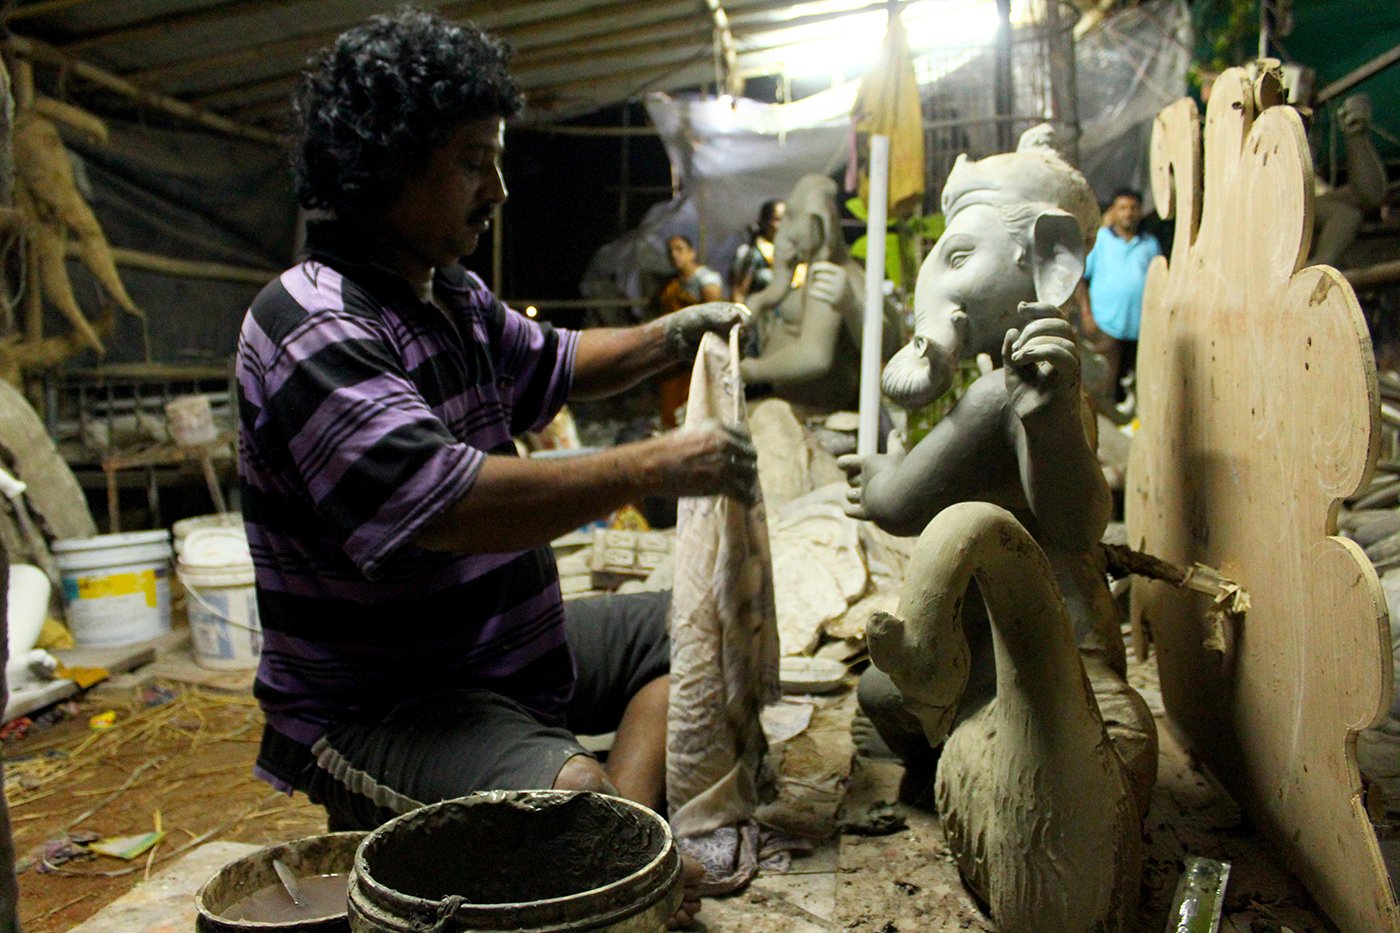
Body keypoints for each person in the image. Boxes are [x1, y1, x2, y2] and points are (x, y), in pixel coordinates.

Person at [236, 10, 751, 927]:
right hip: (384, 705)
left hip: (503, 660)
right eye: (476, 161)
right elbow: (451, 505)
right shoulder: (311, 322)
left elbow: (556, 361)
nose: (500, 189)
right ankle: (599, 826)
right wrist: (654, 463)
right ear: (387, 163)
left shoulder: (452, 296)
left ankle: (619, 831)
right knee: (555, 807)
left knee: (698, 626)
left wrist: (675, 336)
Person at [1076, 188, 1161, 402]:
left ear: (1141, 211)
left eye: (1133, 208)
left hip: (1141, 330)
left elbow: (1160, 284)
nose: (1128, 213)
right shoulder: (1101, 239)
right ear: (1114, 211)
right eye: (1122, 208)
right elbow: (1079, 278)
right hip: (1105, 326)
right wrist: (1086, 315)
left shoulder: (1150, 244)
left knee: (1141, 389)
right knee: (1101, 387)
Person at [653, 235, 724, 426]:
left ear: (692, 252)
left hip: (697, 349)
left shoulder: (707, 280)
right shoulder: (670, 285)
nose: (675, 255)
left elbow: (713, 315)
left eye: (680, 249)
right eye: (671, 252)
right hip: (674, 351)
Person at [729, 199, 784, 304]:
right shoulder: (752, 253)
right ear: (765, 221)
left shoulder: (795, 253)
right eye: (778, 219)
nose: (783, 225)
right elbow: (739, 292)